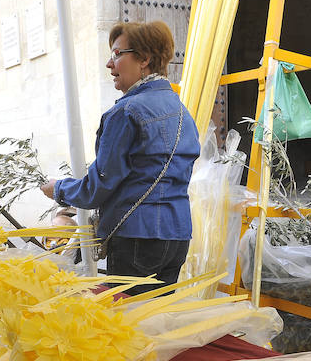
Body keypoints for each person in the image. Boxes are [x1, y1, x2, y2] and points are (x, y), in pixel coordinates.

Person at [40, 21, 200, 295]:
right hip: (177, 235)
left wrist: (59, 189)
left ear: (144, 59)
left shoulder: (126, 112)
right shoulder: (182, 110)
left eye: (117, 54)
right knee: (158, 319)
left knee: (130, 325)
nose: (109, 64)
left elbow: (99, 185)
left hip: (138, 235)